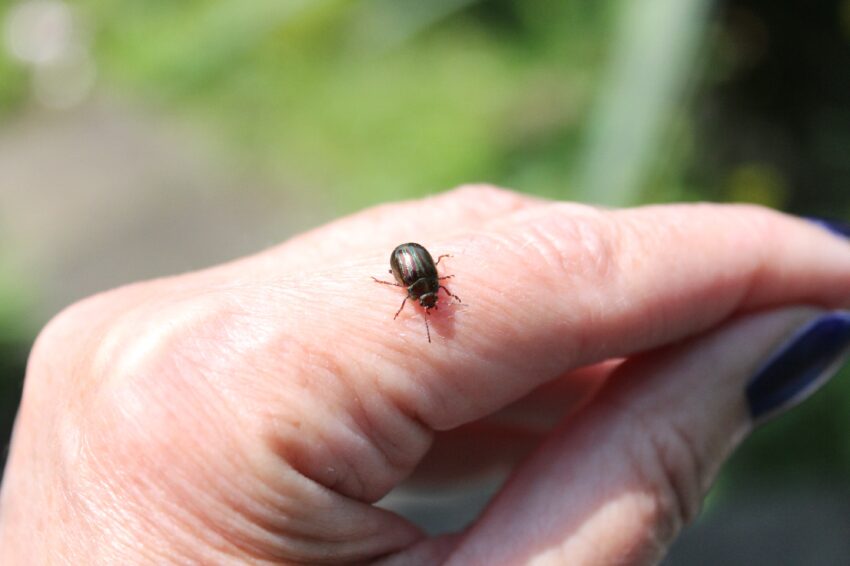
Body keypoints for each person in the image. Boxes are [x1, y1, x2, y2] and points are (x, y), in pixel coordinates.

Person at [1, 185, 849, 565]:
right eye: (428, 294)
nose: (431, 298)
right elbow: (409, 275)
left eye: (431, 292)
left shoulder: (428, 282)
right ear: (422, 289)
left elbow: (421, 272)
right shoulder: (415, 286)